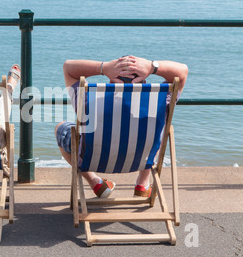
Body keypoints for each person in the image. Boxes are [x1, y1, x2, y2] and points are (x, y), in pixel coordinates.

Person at [55, 55, 188, 198]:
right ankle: (142, 184)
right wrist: (151, 67)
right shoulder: (159, 103)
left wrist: (104, 67)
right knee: (156, 130)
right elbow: (183, 72)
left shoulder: (89, 100)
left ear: (111, 81)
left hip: (96, 161)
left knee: (61, 128)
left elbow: (68, 67)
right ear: (144, 81)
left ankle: (96, 183)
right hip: (141, 160)